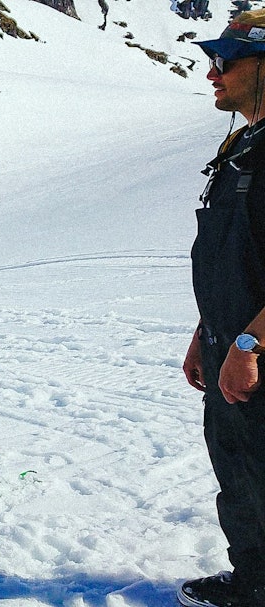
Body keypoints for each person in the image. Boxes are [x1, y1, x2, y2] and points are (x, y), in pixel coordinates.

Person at [181, 10, 265, 607]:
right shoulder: (240, 146)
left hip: (254, 355)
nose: (213, 72)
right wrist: (206, 331)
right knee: (240, 478)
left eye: (227, 60)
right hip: (227, 346)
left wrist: (248, 343)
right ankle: (255, 581)